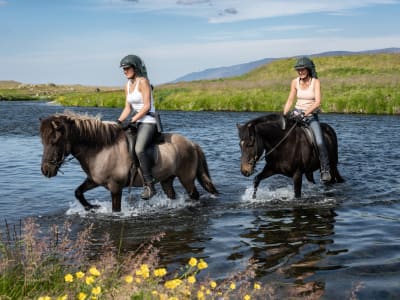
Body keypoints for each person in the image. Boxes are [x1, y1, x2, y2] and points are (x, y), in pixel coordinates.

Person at [283, 56, 332, 183]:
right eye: (298, 70)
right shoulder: (294, 82)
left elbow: (318, 102)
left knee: (320, 141)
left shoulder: (315, 82)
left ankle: (325, 170)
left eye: (303, 69)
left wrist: (305, 114)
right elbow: (290, 99)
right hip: (296, 113)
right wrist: (284, 114)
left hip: (310, 116)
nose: (300, 72)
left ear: (308, 69)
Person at [117, 54, 157, 199]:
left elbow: (146, 106)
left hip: (148, 121)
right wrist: (119, 122)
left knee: (139, 149)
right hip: (137, 121)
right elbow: (127, 108)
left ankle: (150, 185)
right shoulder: (127, 85)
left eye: (127, 68)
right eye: (123, 69)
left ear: (135, 67)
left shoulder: (143, 82)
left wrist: (132, 120)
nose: (125, 71)